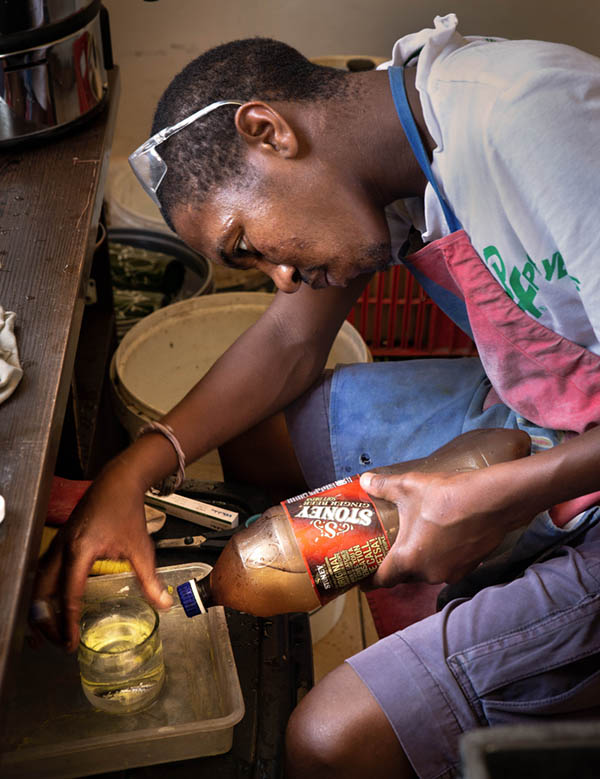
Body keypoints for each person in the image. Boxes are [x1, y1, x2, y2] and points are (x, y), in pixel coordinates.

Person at [33, 13, 600, 779]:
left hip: (578, 464)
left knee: (330, 738)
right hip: (559, 416)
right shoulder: (401, 142)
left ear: (269, 131)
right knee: (263, 435)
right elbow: (288, 343)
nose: (280, 278)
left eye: (247, 244)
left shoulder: (533, 124)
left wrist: (497, 496)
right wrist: (132, 471)